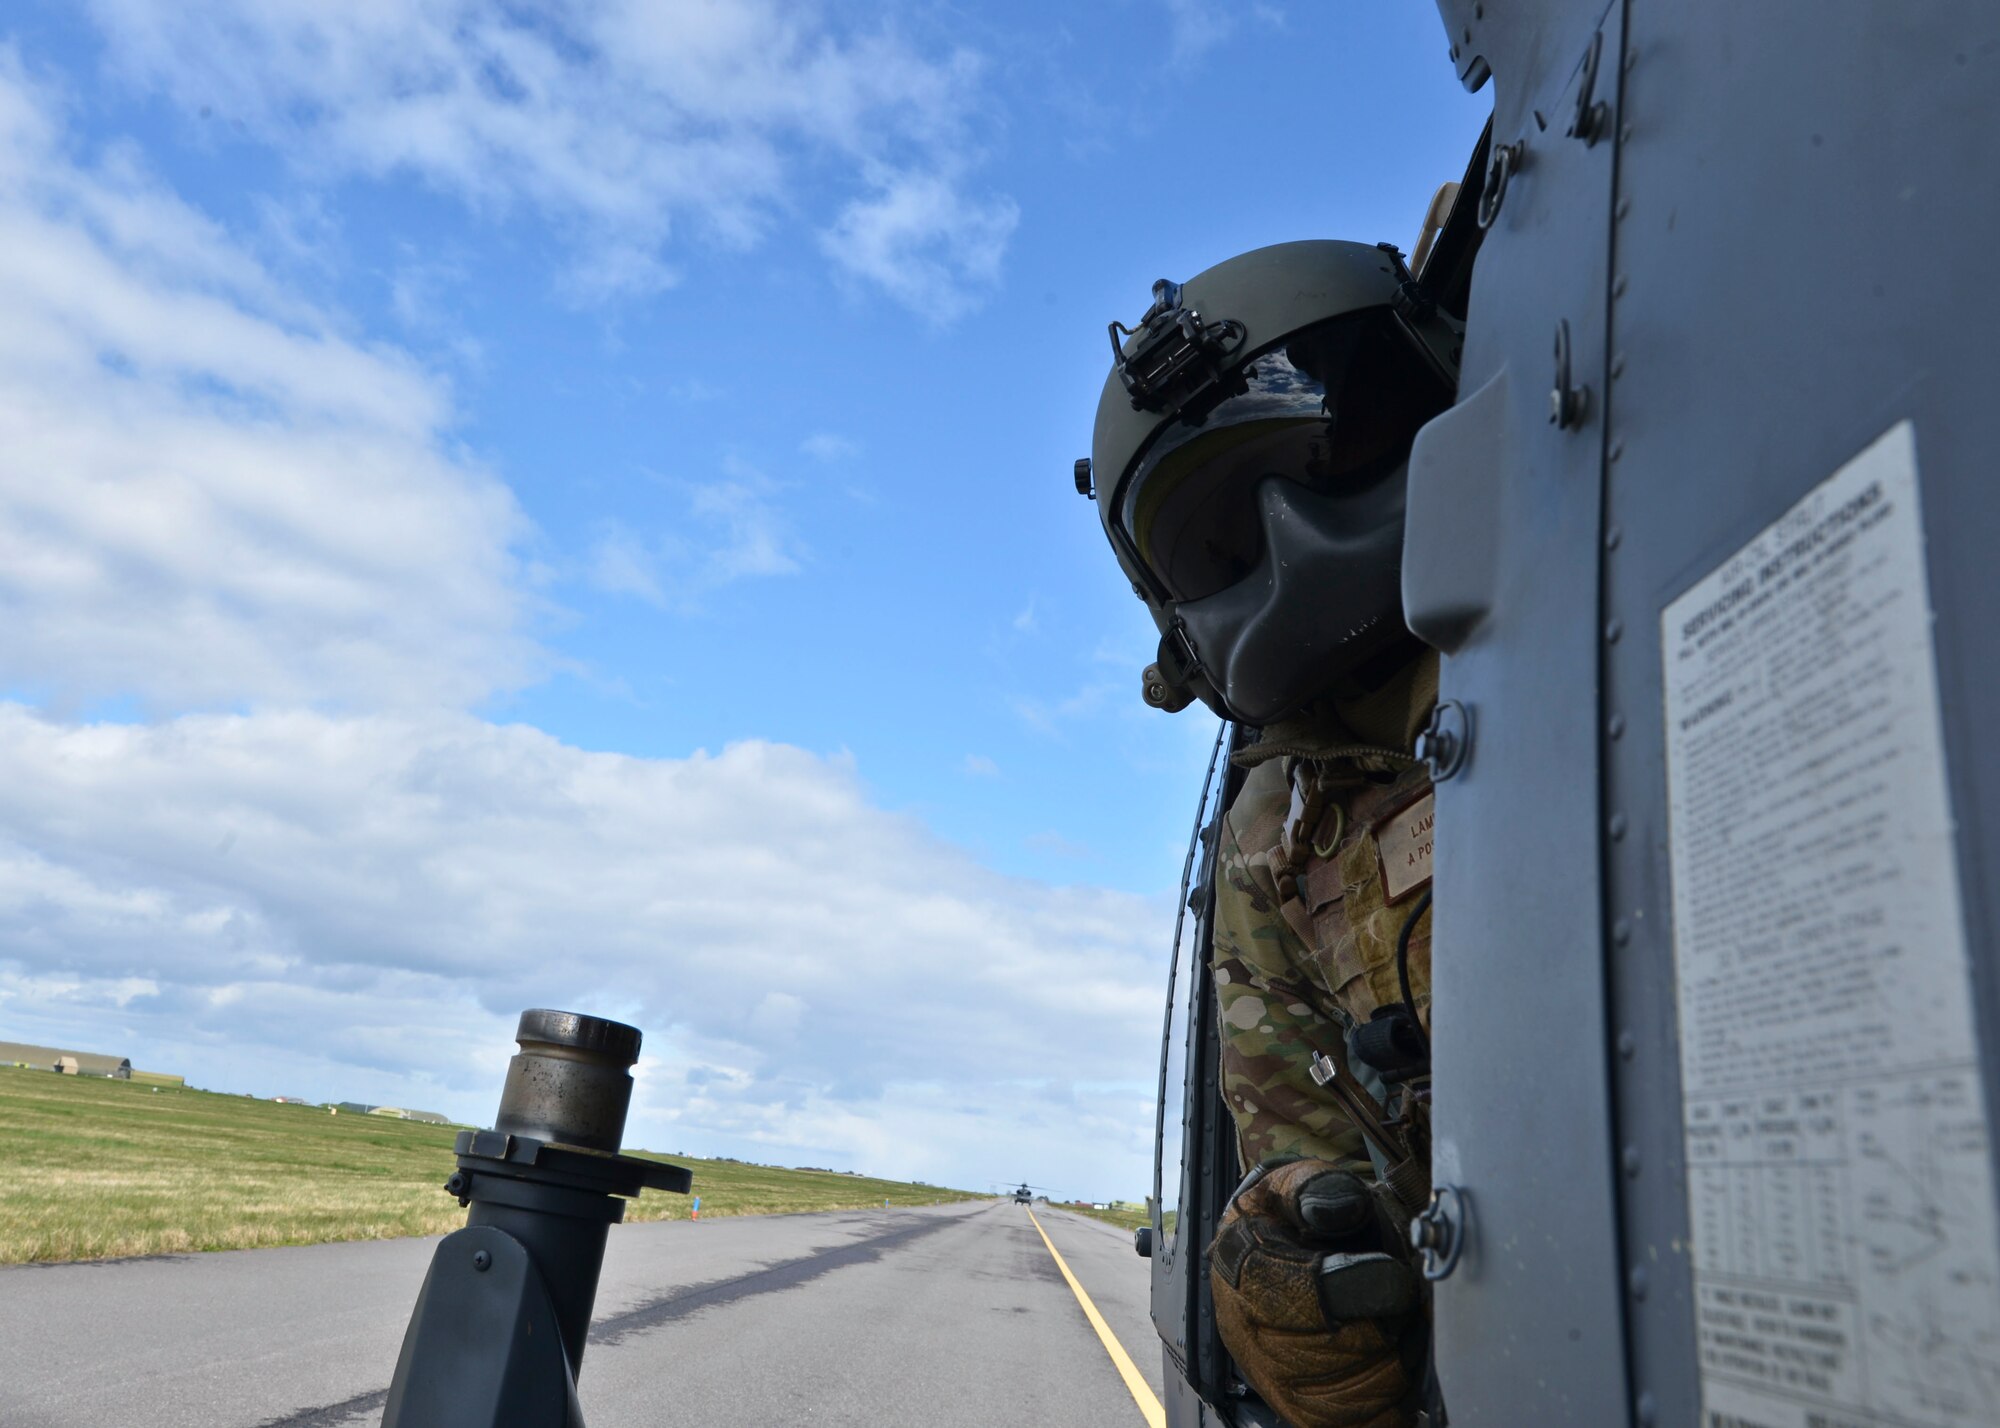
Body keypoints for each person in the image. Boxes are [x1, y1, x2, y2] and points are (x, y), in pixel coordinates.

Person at [1080, 240, 1458, 1428]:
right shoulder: (1274, 839)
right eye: (1220, 538)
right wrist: (1287, 1272)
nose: (1290, 536)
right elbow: (1319, 1177)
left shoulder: (1597, 573)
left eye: (1327, 452)